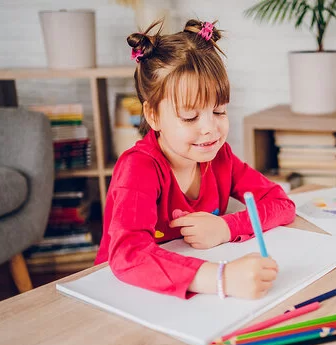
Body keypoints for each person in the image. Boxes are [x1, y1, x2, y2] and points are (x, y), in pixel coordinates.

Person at [94, 19, 296, 300]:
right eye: (190, 117)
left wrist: (227, 227)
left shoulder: (220, 157)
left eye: (219, 111)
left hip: (191, 295)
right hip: (121, 295)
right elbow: (128, 255)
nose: (210, 128)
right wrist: (222, 278)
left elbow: (282, 204)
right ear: (153, 116)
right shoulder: (138, 167)